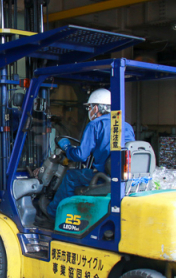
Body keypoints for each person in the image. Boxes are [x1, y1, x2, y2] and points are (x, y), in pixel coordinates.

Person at [44, 88, 135, 226]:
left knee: (71, 176)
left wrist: (67, 148)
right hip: (123, 174)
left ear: (97, 107)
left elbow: (81, 155)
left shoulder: (95, 124)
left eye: (91, 107)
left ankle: (52, 214)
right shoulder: (125, 125)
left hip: (104, 175)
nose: (90, 110)